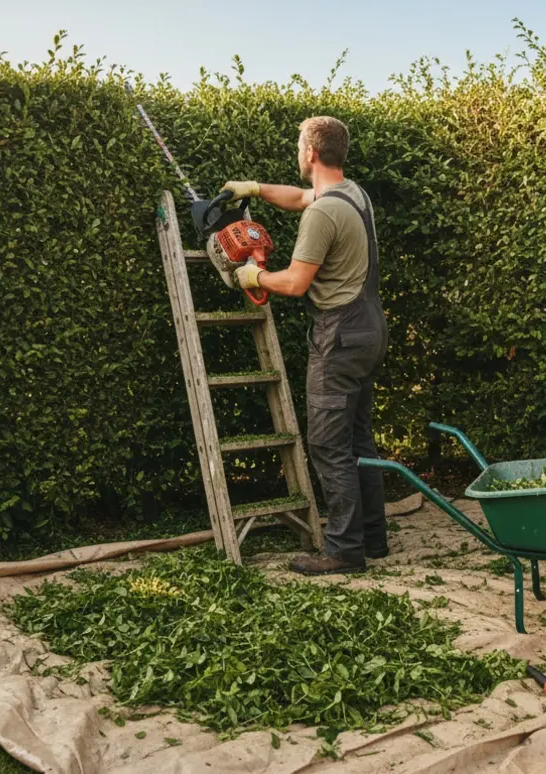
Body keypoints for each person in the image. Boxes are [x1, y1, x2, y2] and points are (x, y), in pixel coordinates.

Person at [219, 116, 389, 576]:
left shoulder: (323, 214)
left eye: (299, 147)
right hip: (370, 327)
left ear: (310, 153)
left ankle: (343, 551)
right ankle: (373, 539)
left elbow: (295, 283)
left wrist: (253, 276)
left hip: (340, 335)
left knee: (329, 444)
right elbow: (298, 197)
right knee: (358, 439)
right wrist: (253, 189)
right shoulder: (352, 194)